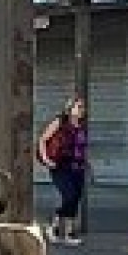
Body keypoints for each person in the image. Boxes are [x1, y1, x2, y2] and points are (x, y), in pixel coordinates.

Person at [37, 95, 89, 243]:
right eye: (78, 107)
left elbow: (81, 148)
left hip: (78, 167)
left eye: (82, 107)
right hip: (61, 165)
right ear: (70, 109)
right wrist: (46, 159)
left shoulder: (81, 126)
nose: (81, 111)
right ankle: (53, 226)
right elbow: (43, 139)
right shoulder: (60, 122)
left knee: (75, 199)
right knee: (69, 195)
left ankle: (69, 233)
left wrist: (87, 164)